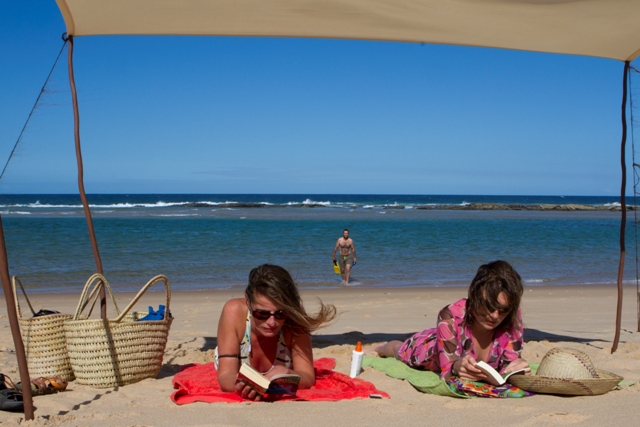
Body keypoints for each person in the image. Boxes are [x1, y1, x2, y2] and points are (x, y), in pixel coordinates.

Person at [375, 260, 529, 381]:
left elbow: (509, 365)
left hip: (446, 337)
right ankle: (378, 348)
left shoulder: (512, 317)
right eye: (488, 306)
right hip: (428, 347)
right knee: (399, 350)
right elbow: (448, 371)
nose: (495, 315)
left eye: (503, 309)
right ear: (474, 297)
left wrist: (517, 367)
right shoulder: (450, 315)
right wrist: (456, 368)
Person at [215, 264, 337, 400]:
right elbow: (226, 375)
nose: (272, 322)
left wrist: (288, 375)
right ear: (248, 302)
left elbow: (307, 377)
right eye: (261, 313)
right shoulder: (234, 312)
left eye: (280, 313)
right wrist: (242, 386)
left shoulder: (294, 317)